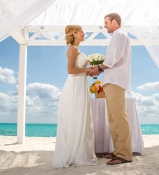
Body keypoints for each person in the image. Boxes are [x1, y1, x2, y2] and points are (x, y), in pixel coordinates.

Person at [52, 25, 99, 168]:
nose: (84, 33)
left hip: (80, 87)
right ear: (74, 33)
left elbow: (78, 70)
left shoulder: (77, 50)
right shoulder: (73, 49)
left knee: (81, 118)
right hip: (74, 88)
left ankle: (81, 151)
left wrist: (90, 71)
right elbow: (71, 70)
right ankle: (75, 153)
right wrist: (87, 69)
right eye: (81, 31)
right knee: (76, 118)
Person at [91, 13, 132, 165]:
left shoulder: (120, 35)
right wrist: (101, 69)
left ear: (114, 22)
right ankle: (118, 150)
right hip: (111, 80)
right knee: (113, 118)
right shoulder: (116, 36)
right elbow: (113, 57)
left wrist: (99, 68)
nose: (105, 25)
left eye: (106, 22)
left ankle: (124, 154)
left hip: (116, 80)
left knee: (119, 117)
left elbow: (116, 56)